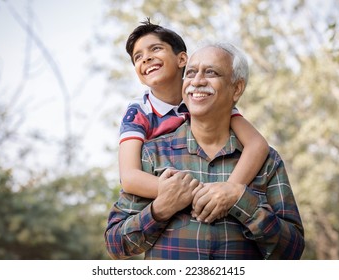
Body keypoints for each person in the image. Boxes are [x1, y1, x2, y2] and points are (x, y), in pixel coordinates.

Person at [105, 42, 305, 260]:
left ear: (236, 89)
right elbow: (115, 245)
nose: (197, 81)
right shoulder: (152, 154)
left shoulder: (267, 162)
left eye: (210, 72)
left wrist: (240, 198)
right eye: (190, 73)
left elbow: (292, 251)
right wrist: (160, 209)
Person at [119, 19, 269, 220]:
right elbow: (129, 177)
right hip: (169, 194)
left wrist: (229, 190)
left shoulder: (204, 95)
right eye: (138, 57)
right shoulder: (138, 111)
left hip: (215, 181)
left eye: (155, 48)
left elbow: (257, 144)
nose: (146, 58)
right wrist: (184, 194)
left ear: (182, 60)